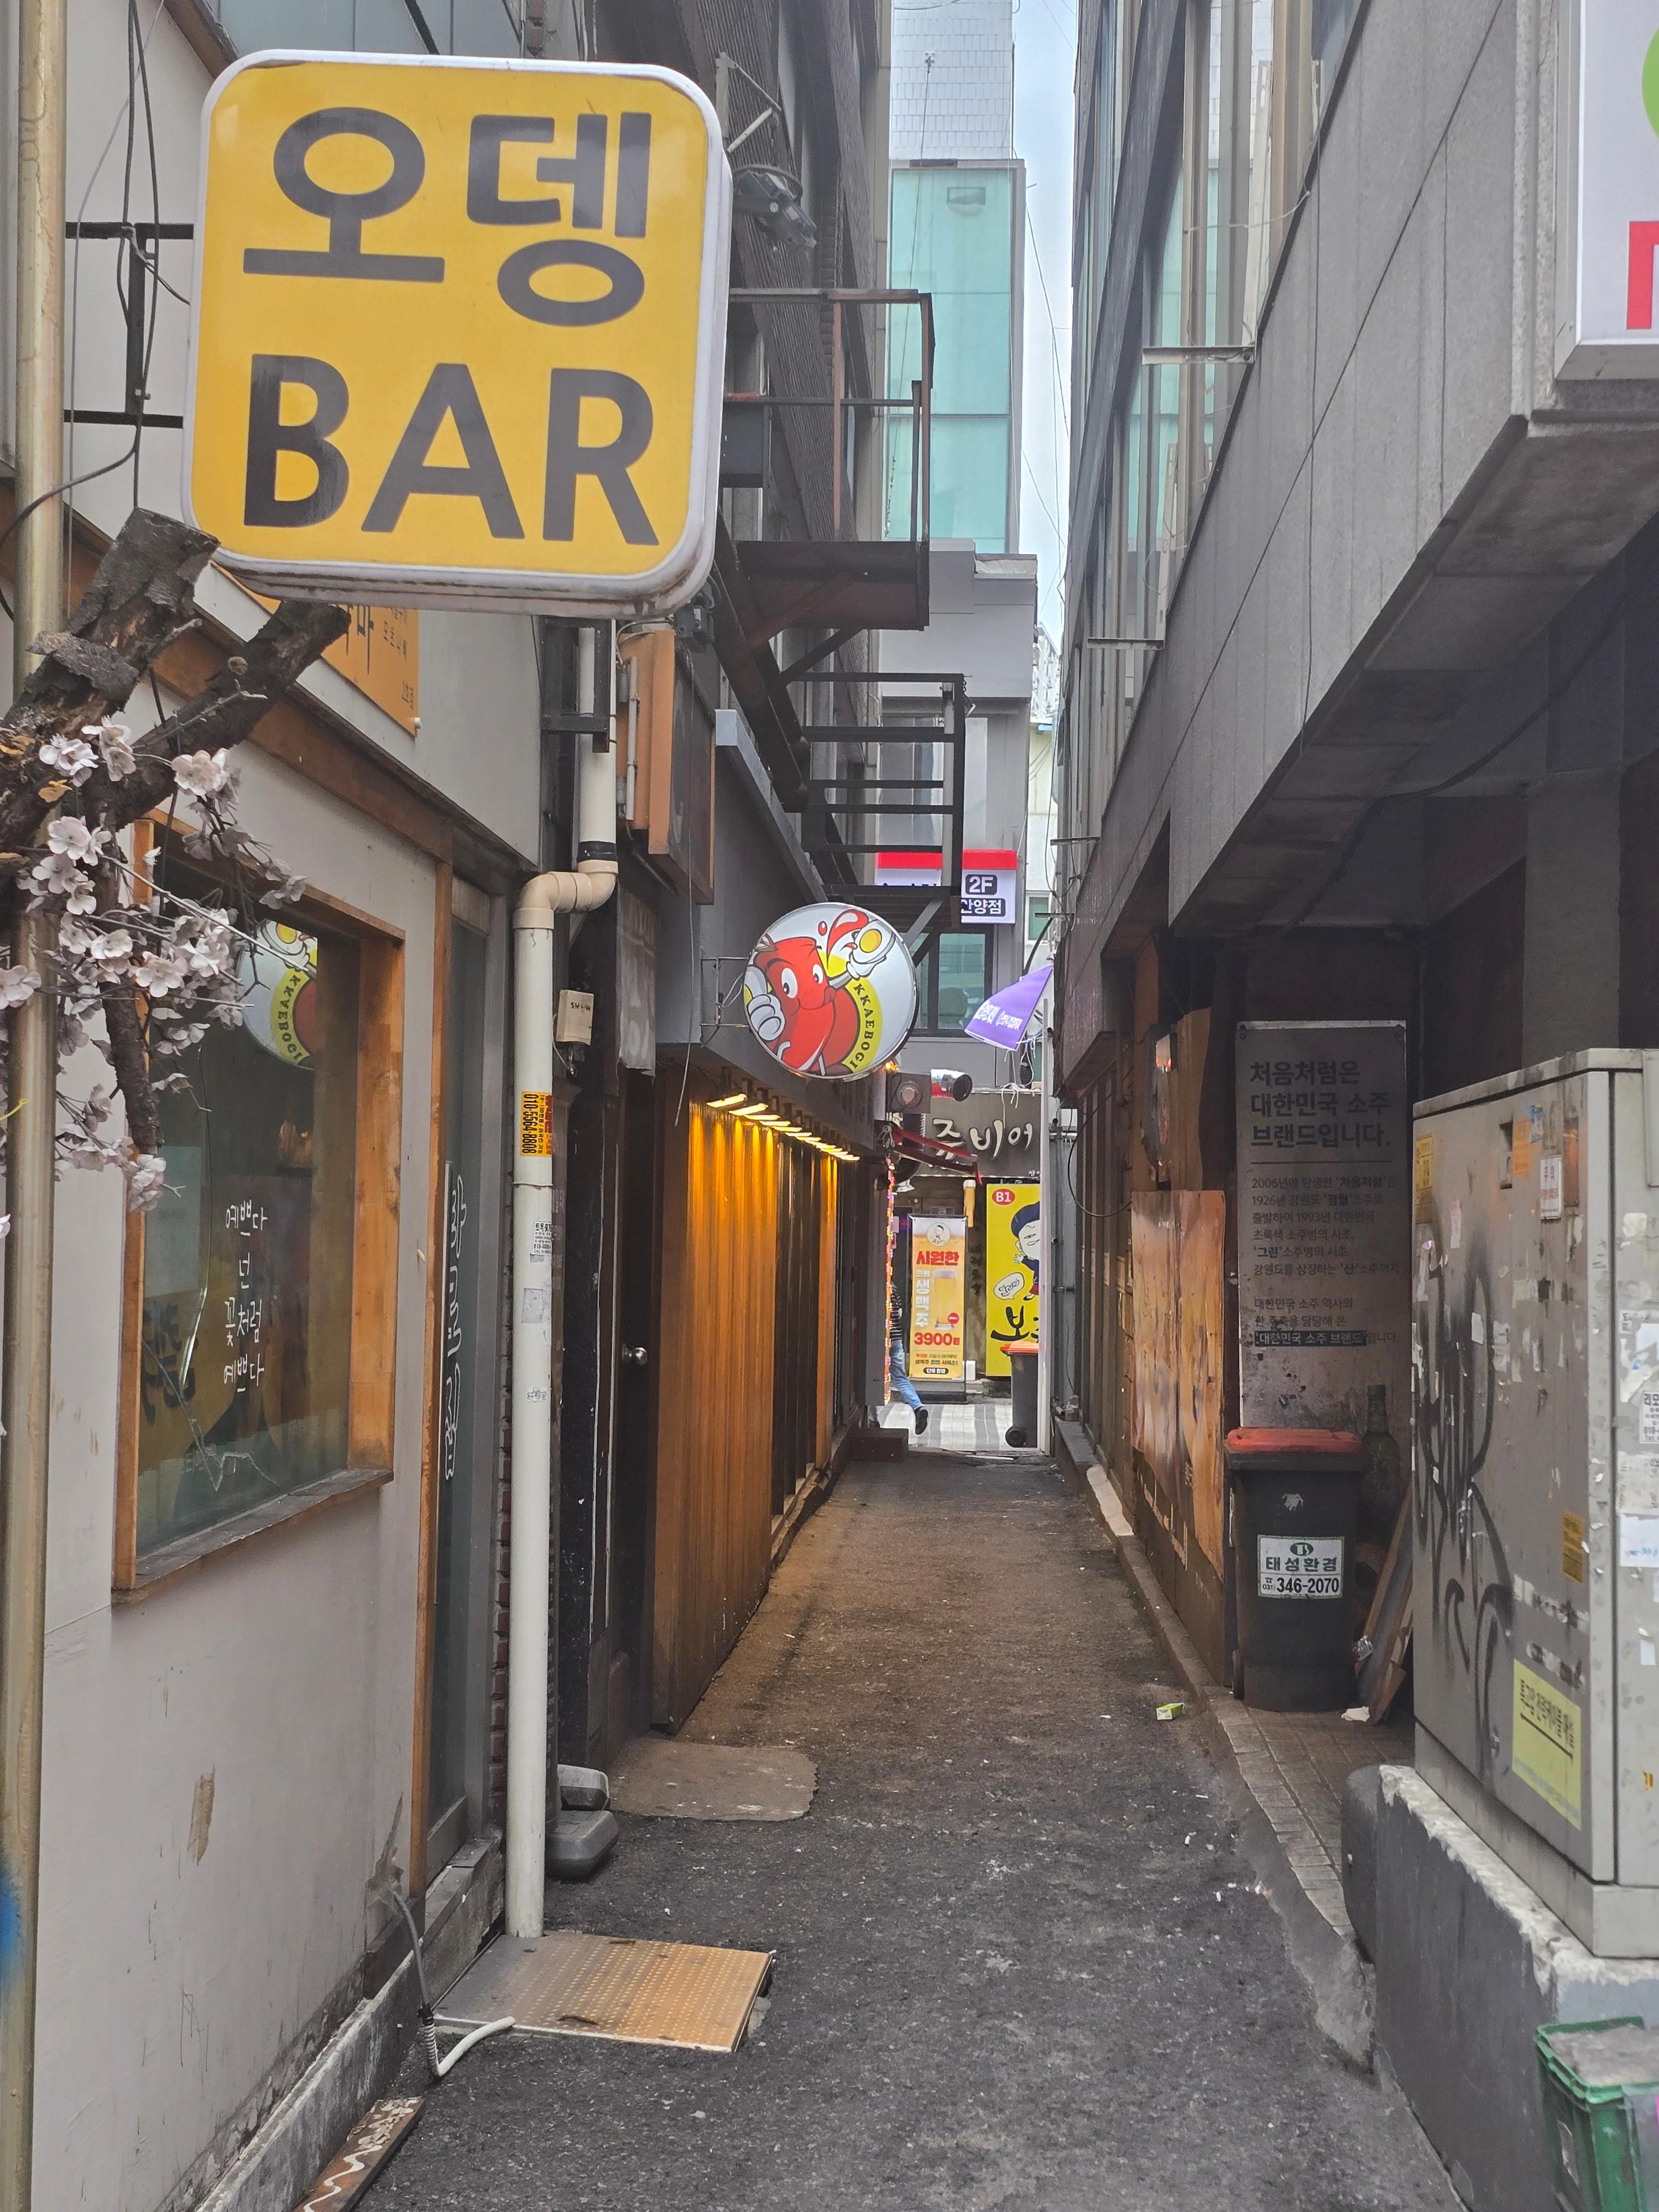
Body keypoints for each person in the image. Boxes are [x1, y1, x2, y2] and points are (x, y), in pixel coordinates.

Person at [889, 1322, 928, 1434]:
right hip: (896, 1337)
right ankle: (918, 1407)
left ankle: (872, 1420)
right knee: (900, 1378)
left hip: (877, 1337)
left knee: (871, 1377)